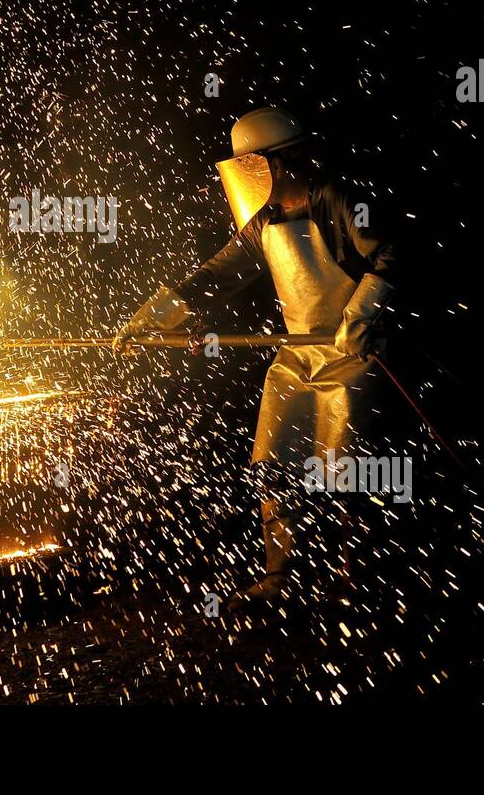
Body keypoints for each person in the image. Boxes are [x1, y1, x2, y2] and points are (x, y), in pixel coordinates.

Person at [113, 107, 399, 604]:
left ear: (275, 164)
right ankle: (281, 575)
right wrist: (155, 316)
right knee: (272, 463)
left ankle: (359, 579)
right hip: (298, 354)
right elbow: (215, 276)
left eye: (250, 165)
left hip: (354, 353)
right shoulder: (263, 222)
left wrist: (362, 316)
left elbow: (391, 254)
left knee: (345, 469)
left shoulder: (336, 199)